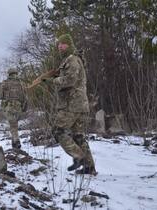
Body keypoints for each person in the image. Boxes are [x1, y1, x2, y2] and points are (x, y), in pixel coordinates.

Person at [42, 34, 96, 175]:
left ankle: (79, 156)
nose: (60, 46)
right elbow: (68, 78)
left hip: (71, 105)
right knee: (78, 136)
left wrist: (52, 81)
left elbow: (70, 80)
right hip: (79, 104)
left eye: (63, 44)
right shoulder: (70, 60)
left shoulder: (72, 60)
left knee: (58, 130)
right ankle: (89, 167)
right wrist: (56, 78)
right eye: (59, 44)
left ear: (69, 45)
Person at [0, 68, 27, 149]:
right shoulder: (21, 83)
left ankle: (16, 141)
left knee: (13, 125)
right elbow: (25, 97)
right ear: (16, 73)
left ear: (9, 74)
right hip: (18, 107)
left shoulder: (5, 83)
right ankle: (14, 144)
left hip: (9, 106)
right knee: (14, 125)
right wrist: (24, 108)